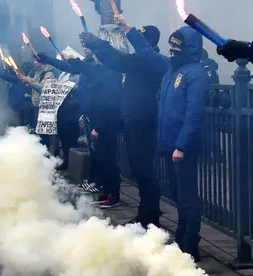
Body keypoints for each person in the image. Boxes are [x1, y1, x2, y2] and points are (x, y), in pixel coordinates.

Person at [118, 16, 210, 262]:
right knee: (178, 195)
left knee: (188, 196)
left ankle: (191, 245)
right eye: (171, 46)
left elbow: (193, 115)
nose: (172, 51)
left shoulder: (196, 74)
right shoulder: (171, 68)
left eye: (177, 47)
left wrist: (181, 145)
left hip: (183, 147)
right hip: (169, 145)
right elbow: (148, 53)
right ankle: (181, 238)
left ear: (189, 49)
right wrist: (129, 30)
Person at [80, 25, 164, 228]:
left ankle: (149, 216)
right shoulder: (143, 60)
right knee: (140, 170)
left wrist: (98, 44)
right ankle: (146, 213)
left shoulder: (147, 61)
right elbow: (118, 60)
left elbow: (118, 60)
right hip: (135, 119)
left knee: (145, 171)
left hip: (142, 120)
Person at [38, 49, 123, 209]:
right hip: (93, 116)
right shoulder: (95, 69)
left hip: (104, 123)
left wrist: (100, 126)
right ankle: (104, 189)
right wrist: (49, 58)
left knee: (108, 160)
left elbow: (109, 104)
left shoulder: (110, 74)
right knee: (99, 157)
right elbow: (70, 66)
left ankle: (112, 193)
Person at [0, 62, 36, 132]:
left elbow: (4, 76)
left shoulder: (23, 80)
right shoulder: (22, 79)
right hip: (22, 107)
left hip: (24, 108)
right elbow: (4, 76)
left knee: (24, 127)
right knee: (25, 127)